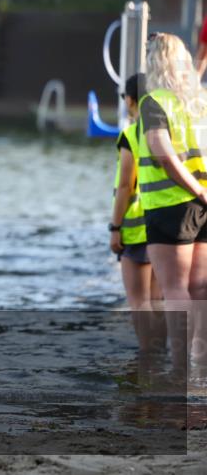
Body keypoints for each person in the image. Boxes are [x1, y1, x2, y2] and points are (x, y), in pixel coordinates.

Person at [136, 34, 207, 376]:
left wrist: (194, 189)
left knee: (175, 289)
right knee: (199, 288)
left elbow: (162, 152)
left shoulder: (153, 102)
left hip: (171, 205)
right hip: (203, 206)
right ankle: (199, 363)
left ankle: (180, 371)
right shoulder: (199, 103)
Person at [109, 73, 165, 352]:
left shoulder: (131, 134)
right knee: (158, 300)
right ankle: (165, 357)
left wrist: (115, 227)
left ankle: (148, 359)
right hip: (165, 222)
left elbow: (124, 186)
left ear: (130, 100)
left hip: (136, 228)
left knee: (138, 301)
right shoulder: (168, 131)